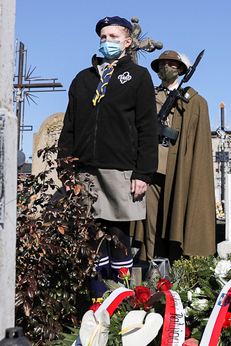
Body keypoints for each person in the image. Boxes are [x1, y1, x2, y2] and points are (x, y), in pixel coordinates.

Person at [58, 15, 157, 292]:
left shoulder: (138, 77)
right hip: (84, 169)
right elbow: (70, 127)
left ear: (127, 42)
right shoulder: (83, 79)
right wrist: (65, 169)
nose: (107, 42)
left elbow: (147, 128)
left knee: (117, 233)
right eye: (103, 37)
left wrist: (143, 173)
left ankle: (123, 298)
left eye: (113, 37)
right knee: (91, 234)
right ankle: (97, 298)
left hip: (120, 168)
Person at [132, 50, 216, 262]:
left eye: (171, 64)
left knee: (176, 218)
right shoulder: (147, 96)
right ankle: (152, 265)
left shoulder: (194, 101)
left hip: (178, 169)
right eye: (162, 65)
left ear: (180, 70)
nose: (165, 68)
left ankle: (177, 269)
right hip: (151, 168)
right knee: (150, 221)